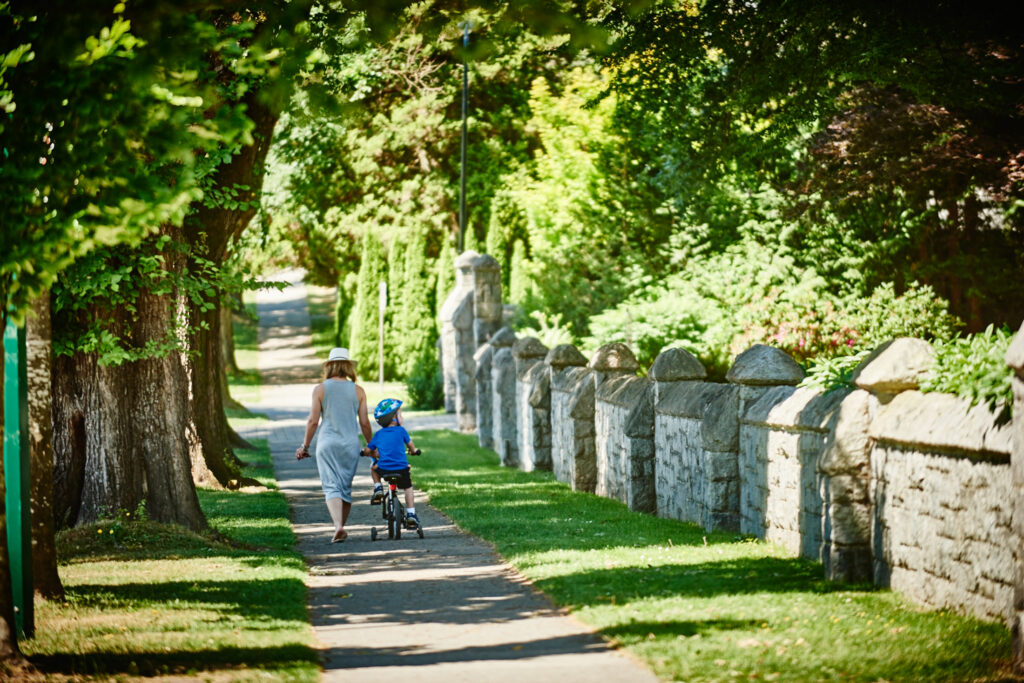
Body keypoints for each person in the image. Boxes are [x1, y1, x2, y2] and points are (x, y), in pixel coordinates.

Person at [296, 347, 373, 543]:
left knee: (331, 486)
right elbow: (364, 423)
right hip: (350, 446)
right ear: (348, 366)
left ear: (329, 367)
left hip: (327, 444)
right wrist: (372, 445)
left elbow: (313, 421)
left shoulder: (320, 389)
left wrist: (304, 446)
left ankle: (338, 527)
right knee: (345, 487)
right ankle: (341, 527)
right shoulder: (359, 391)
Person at [361, 398, 421, 530]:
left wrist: (366, 452)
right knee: (408, 487)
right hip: (401, 469)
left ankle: (378, 488)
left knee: (373, 468)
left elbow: (368, 450)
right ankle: (411, 513)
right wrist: (413, 451)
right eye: (400, 414)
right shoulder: (402, 431)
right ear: (393, 418)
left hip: (384, 468)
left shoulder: (379, 434)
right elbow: (411, 446)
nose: (402, 417)